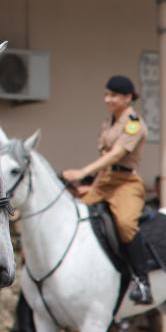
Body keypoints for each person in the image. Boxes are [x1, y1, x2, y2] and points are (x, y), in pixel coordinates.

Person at [62, 75, 152, 305]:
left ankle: (143, 282)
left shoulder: (133, 123)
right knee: (75, 218)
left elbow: (116, 155)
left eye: (113, 95)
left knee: (125, 224)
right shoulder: (108, 122)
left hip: (125, 182)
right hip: (104, 182)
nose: (107, 99)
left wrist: (83, 172)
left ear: (128, 97)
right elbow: (105, 160)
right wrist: (92, 186)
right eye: (106, 94)